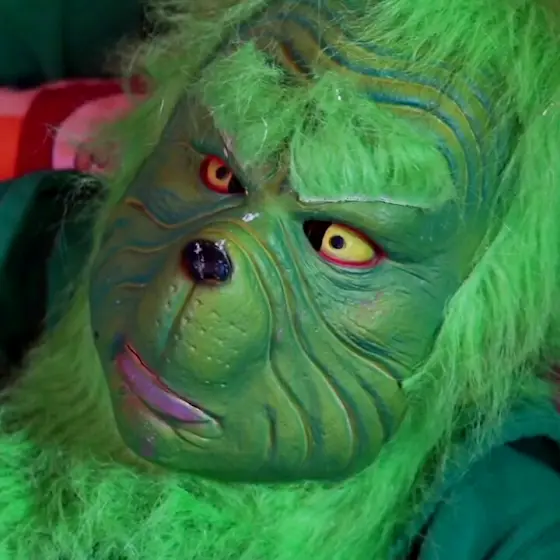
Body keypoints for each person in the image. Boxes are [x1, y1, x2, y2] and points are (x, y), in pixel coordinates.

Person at [0, 1, 559, 558]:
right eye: (220, 175)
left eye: (337, 240)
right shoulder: (51, 239)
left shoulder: (497, 508)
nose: (200, 272)